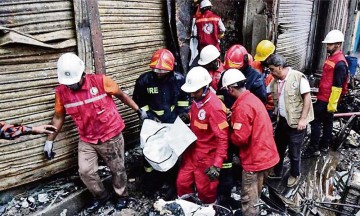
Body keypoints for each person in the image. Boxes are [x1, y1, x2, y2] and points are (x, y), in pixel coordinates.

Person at [43, 53, 146, 213]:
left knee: (117, 169)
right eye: (67, 83)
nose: (71, 86)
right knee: (85, 171)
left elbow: (122, 95)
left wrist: (138, 110)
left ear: (82, 73)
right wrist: (50, 141)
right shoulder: (62, 92)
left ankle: (122, 196)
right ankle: (101, 196)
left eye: (74, 82)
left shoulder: (101, 82)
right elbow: (58, 116)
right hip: (87, 138)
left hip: (110, 135)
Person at [132, 48, 189, 199]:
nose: (159, 72)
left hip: (172, 121)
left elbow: (184, 102)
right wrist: (147, 115)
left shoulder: (178, 80)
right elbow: (139, 101)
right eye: (156, 69)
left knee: (171, 151)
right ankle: (150, 182)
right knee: (148, 150)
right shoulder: (144, 80)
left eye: (162, 70)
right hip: (152, 122)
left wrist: (181, 116)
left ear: (170, 69)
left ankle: (171, 183)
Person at [222, 68, 279, 215]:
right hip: (267, 155)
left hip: (255, 160)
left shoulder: (242, 107)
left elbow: (240, 138)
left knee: (249, 199)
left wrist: (228, 133)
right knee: (256, 192)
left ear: (230, 89)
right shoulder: (252, 99)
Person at [177, 66, 229, 204]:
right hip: (192, 151)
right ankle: (186, 208)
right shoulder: (198, 101)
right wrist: (188, 117)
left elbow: (223, 138)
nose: (192, 95)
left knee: (206, 190)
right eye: (191, 92)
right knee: (182, 182)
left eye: (195, 92)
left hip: (207, 156)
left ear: (206, 87)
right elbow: (199, 117)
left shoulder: (215, 108)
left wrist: (217, 165)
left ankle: (207, 210)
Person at [266, 54, 314, 187]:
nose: (271, 72)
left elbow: (307, 98)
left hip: (296, 123)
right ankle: (277, 171)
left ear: (280, 67)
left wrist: (303, 120)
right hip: (282, 121)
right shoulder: (275, 81)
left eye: (272, 69)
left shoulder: (298, 78)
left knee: (294, 152)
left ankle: (295, 174)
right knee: (279, 148)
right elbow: (263, 92)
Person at [303, 30, 348, 158]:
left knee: (315, 121)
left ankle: (313, 148)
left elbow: (338, 86)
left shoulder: (340, 63)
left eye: (329, 44)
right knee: (328, 122)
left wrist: (332, 104)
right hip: (324, 95)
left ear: (338, 44)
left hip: (326, 99)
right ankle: (323, 146)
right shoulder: (332, 58)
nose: (327, 46)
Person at [252, 40, 276, 116]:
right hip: (254, 102)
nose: (261, 61)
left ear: (271, 56)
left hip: (267, 107)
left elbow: (272, 96)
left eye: (263, 59)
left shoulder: (276, 72)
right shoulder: (255, 64)